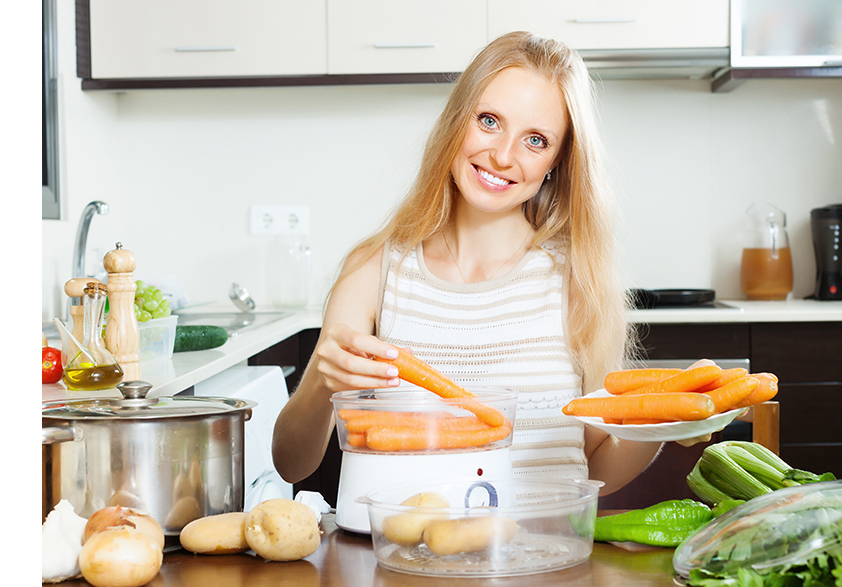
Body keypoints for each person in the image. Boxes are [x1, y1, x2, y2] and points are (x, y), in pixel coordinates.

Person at [272, 31, 662, 496]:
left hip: (540, 558)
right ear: (458, 120)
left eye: (535, 140)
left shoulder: (580, 282)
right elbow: (291, 463)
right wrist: (320, 380)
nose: (502, 155)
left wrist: (659, 423)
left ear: (558, 161)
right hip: (405, 558)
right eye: (489, 121)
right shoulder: (373, 271)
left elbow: (595, 465)